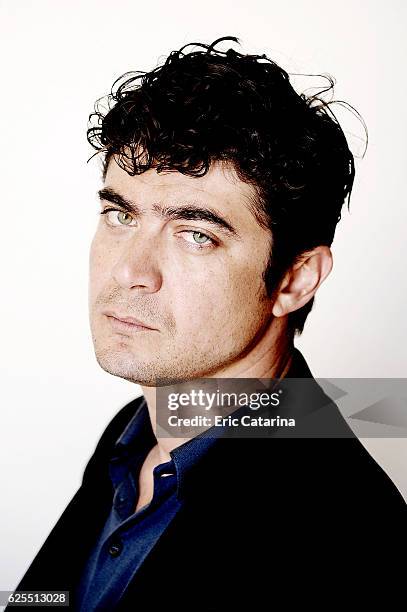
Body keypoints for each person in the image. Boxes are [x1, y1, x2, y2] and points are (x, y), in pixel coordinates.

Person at [10, 36, 405, 610]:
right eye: (120, 214)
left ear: (296, 279)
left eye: (196, 234)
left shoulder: (345, 541)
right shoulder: (136, 432)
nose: (129, 272)